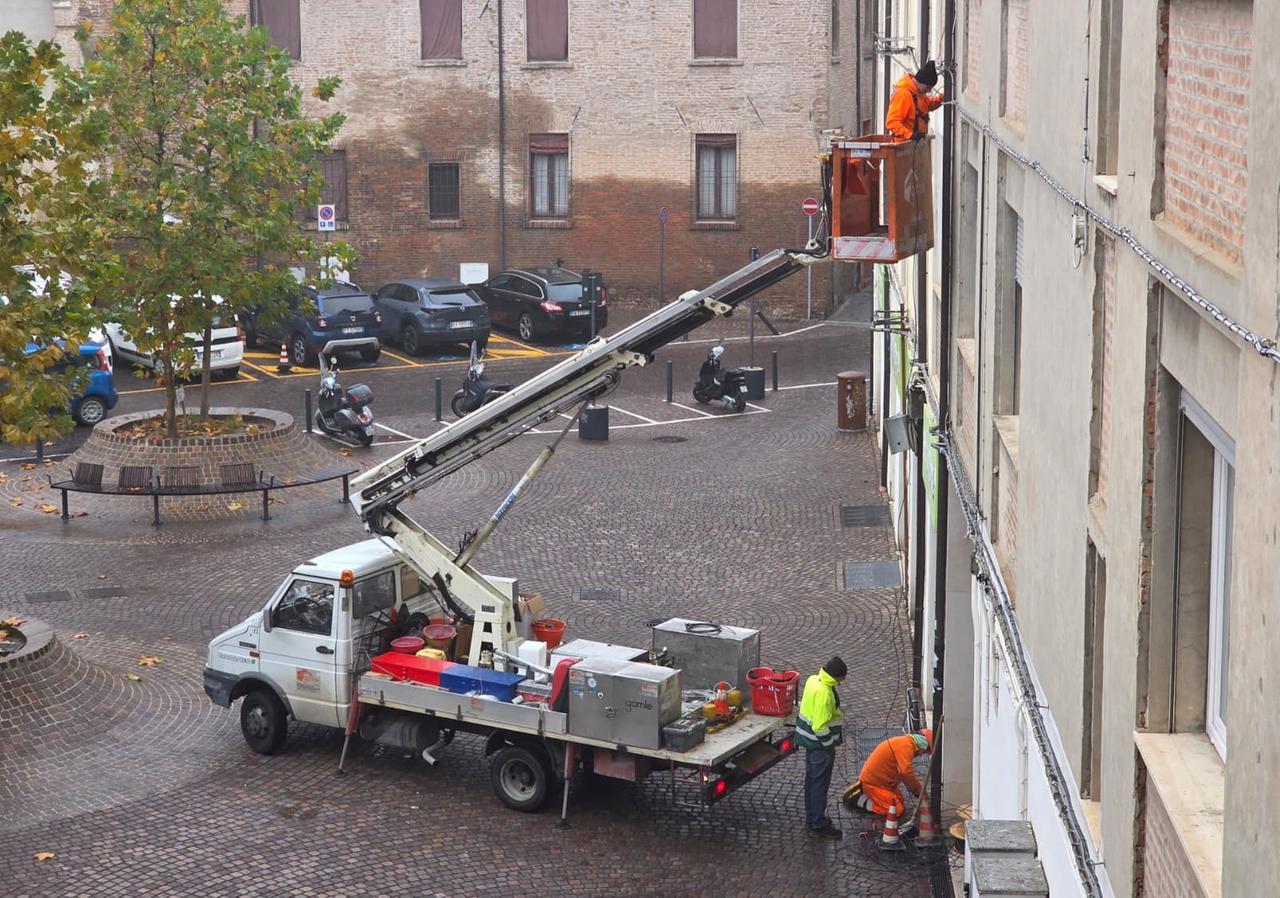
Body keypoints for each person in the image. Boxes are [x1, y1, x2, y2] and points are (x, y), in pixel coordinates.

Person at [796, 656, 847, 838]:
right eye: (842, 678)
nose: (843, 682)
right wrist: (829, 744)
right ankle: (818, 822)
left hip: (810, 744)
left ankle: (812, 817)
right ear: (836, 676)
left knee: (811, 781)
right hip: (820, 746)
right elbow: (819, 726)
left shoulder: (813, 680)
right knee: (819, 784)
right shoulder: (826, 693)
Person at [844, 728, 933, 819]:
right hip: (874, 784)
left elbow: (903, 771)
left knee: (900, 801)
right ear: (923, 745)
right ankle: (862, 801)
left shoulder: (906, 743)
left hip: (884, 783)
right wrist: (918, 790)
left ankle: (869, 794)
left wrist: (918, 790)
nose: (922, 755)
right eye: (926, 751)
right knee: (896, 810)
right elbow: (906, 772)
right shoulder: (906, 746)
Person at [886, 60, 945, 142]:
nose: (928, 91)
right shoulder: (903, 94)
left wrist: (941, 98)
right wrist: (910, 135)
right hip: (903, 146)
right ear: (922, 83)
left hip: (914, 144)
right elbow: (892, 122)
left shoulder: (917, 92)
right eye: (928, 88)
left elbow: (927, 105)